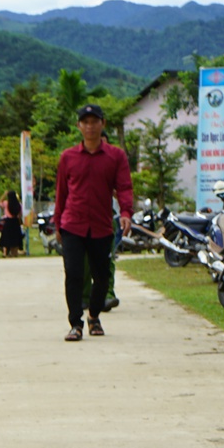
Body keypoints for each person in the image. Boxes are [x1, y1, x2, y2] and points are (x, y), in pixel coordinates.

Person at [53, 103, 133, 341]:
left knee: (102, 277)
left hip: (101, 225)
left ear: (102, 124)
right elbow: (61, 193)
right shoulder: (68, 157)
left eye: (94, 121)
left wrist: (126, 212)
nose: (90, 126)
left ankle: (94, 316)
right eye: (85, 122)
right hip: (72, 224)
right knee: (74, 274)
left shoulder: (115, 156)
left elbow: (124, 187)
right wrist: (58, 224)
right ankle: (75, 323)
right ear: (79, 126)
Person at [0, 189, 26, 256]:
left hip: (8, 222)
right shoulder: (19, 205)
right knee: (15, 238)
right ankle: (15, 253)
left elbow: (0, 202)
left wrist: (4, 194)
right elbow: (20, 215)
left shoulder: (6, 203)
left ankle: (5, 253)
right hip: (16, 222)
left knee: (6, 237)